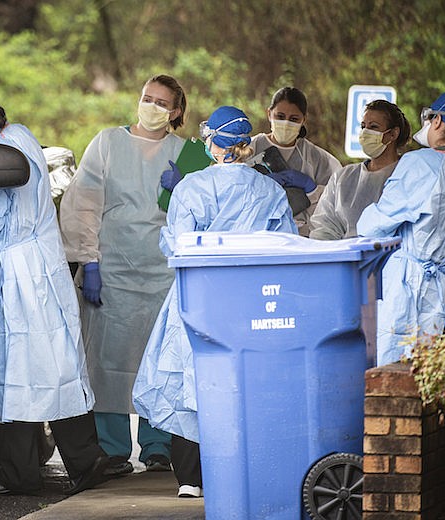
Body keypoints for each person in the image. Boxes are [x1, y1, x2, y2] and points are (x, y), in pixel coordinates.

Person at [0, 82, 108, 495]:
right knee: (58, 366)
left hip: (14, 272)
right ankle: (87, 465)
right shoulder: (19, 134)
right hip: (43, 264)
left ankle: (19, 476)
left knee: (14, 374)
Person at [133, 105, 297, 498]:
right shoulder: (270, 189)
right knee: (244, 381)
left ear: (213, 142)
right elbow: (287, 247)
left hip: (199, 296)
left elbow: (175, 245)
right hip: (251, 300)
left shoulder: (191, 187)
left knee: (191, 379)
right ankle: (242, 470)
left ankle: (190, 477)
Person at [59, 74, 188, 476]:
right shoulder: (107, 143)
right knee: (107, 359)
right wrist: (89, 261)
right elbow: (83, 203)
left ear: (177, 111)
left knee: (157, 358)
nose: (151, 106)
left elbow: (198, 211)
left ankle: (158, 446)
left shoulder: (186, 154)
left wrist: (185, 187)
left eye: (161, 102)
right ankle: (112, 448)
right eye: (146, 98)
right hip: (112, 268)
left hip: (163, 273)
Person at [357, 91, 445, 366]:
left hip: (413, 293)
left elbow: (372, 226)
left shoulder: (418, 164)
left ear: (437, 121)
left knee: (399, 382)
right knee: (444, 376)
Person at [310, 100, 411, 240]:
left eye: (373, 127)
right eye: (363, 126)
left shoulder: (409, 175)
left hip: (392, 259)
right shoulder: (343, 177)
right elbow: (323, 227)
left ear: (393, 134)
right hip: (345, 257)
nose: (365, 133)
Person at [251, 86, 341, 236]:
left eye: (294, 119)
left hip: (300, 237)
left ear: (303, 120)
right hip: (257, 234)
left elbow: (333, 205)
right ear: (269, 114)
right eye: (280, 116)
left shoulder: (318, 159)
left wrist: (313, 190)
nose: (286, 123)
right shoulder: (250, 148)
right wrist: (258, 184)